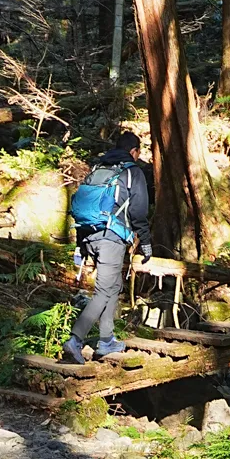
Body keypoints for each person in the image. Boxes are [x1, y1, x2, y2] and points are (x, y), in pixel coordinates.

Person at [63, 131, 151, 361]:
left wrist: (81, 244)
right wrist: (147, 242)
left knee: (112, 286)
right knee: (104, 290)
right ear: (134, 151)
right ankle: (76, 339)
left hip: (90, 235)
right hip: (112, 237)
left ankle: (106, 340)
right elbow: (139, 212)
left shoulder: (98, 169)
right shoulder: (133, 172)